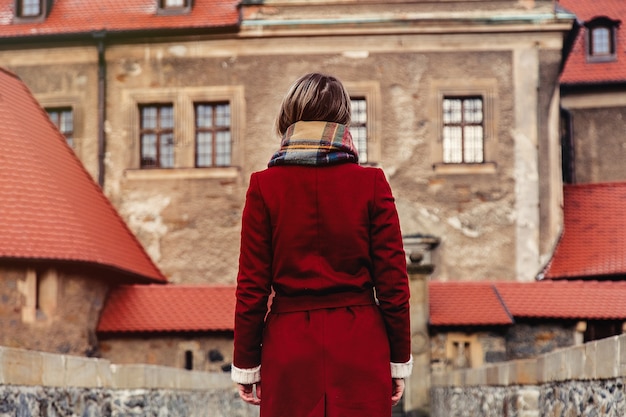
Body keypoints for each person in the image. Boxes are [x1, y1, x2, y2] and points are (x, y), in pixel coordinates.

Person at [231, 72, 412, 417]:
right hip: (360, 346)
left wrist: (246, 363)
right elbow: (393, 284)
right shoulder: (372, 184)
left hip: (289, 349)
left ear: (288, 117)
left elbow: (251, 287)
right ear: (343, 120)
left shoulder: (264, 187)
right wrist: (398, 360)